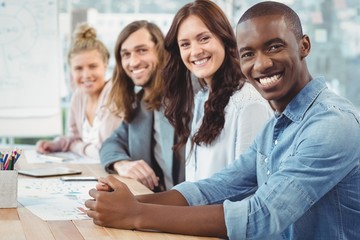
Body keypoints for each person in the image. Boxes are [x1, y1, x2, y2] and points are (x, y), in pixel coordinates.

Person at [85, 1, 360, 239]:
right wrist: (130, 202)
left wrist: (135, 214)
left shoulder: (332, 124)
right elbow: (217, 186)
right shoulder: (278, 124)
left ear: (304, 46)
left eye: (274, 47)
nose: (261, 64)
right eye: (248, 54)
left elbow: (262, 215)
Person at [162, 0, 272, 181]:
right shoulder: (201, 99)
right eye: (185, 44)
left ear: (223, 37)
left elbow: (248, 187)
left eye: (204, 38)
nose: (195, 51)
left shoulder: (249, 103)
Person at [99, 20, 184, 192]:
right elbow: (111, 144)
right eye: (126, 54)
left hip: (193, 207)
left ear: (161, 51)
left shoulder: (185, 96)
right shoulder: (140, 103)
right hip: (157, 203)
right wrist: (122, 164)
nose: (134, 62)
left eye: (142, 50)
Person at [36, 23, 122, 161]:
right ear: (71, 71)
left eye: (93, 66)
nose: (86, 75)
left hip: (113, 173)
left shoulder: (114, 93)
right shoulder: (79, 96)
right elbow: (73, 138)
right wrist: (56, 144)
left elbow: (104, 151)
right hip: (89, 169)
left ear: (105, 66)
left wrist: (74, 146)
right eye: (78, 68)